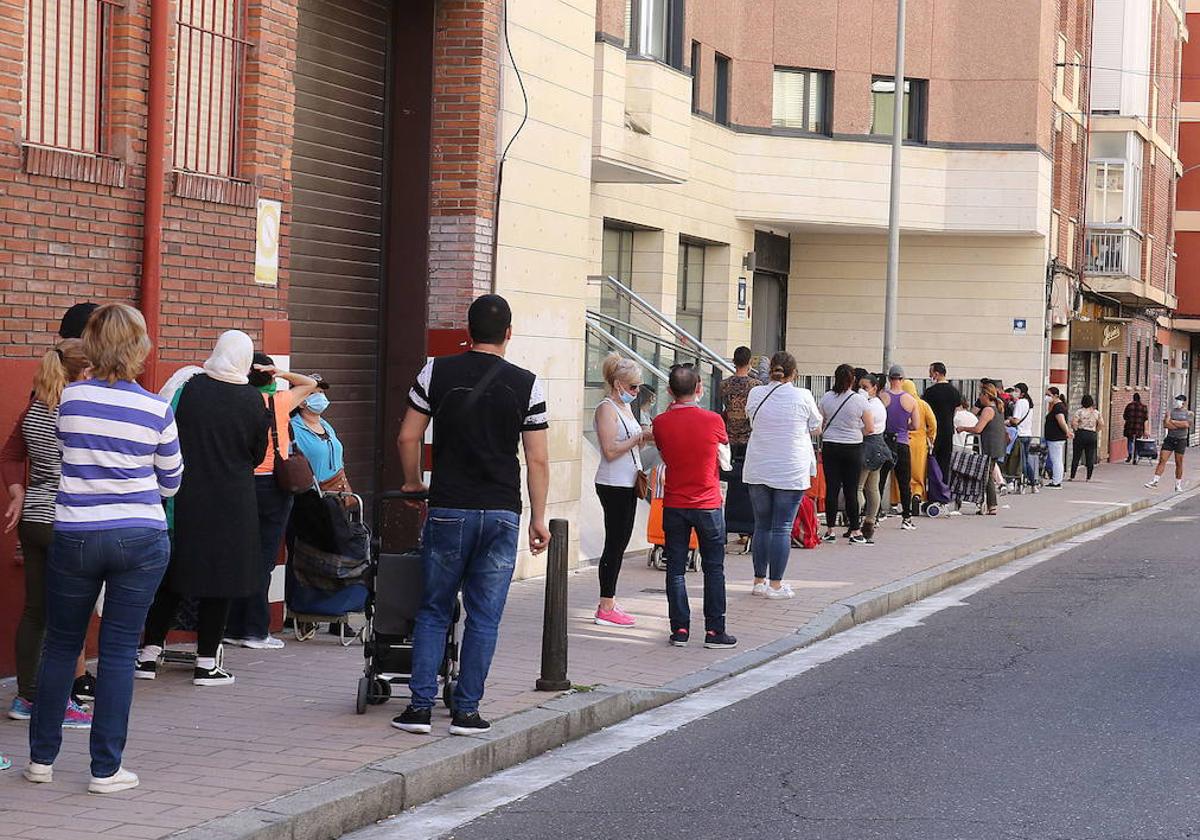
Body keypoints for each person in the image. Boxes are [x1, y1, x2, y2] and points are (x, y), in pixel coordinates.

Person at [24, 303, 181, 794]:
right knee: (116, 653)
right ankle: (105, 769)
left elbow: (64, 453)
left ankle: (41, 760)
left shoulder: (68, 400)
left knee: (62, 644)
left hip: (76, 533)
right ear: (140, 349)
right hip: (140, 535)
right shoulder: (158, 408)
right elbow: (172, 482)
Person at [392, 294, 550, 736]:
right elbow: (537, 459)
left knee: (434, 609)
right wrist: (539, 517)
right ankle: (467, 712)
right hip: (502, 512)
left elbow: (408, 437)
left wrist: (411, 482)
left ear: (468, 331)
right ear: (508, 334)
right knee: (485, 615)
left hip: (449, 508)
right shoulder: (528, 383)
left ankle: (419, 708)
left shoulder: (435, 371)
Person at [137, 331, 269, 687]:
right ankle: (206, 663)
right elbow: (257, 455)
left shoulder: (190, 387)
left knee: (173, 577)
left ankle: (148, 655)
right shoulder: (253, 400)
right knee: (220, 582)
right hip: (232, 502)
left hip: (184, 496)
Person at [2, 340, 94, 730]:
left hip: (35, 519)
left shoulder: (36, 406)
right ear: (84, 371)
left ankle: (27, 697)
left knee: (35, 612)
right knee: (68, 616)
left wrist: (17, 491)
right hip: (69, 518)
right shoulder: (78, 410)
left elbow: (9, 453)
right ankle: (58, 704)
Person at [223, 356, 320, 650]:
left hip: (239, 484)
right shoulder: (278, 402)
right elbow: (312, 384)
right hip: (271, 487)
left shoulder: (235, 402)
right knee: (263, 559)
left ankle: (232, 625)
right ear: (269, 377)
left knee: (239, 555)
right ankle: (254, 630)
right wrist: (282, 372)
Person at [647, 364, 736, 648]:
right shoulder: (713, 421)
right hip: (708, 502)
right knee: (714, 568)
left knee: (675, 568)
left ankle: (680, 630)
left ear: (670, 391)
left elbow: (664, 452)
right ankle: (714, 631)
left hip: (674, 502)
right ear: (699, 389)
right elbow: (724, 457)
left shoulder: (660, 423)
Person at [744, 352, 821, 598]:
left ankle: (758, 582)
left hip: (758, 466)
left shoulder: (756, 393)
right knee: (782, 527)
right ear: (794, 374)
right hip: (791, 468)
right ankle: (776, 585)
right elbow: (816, 426)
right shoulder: (803, 395)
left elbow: (751, 419)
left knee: (762, 526)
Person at [591, 355, 647, 627]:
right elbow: (610, 450)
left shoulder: (624, 409)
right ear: (618, 384)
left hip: (627, 481)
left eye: (638, 387)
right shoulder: (606, 409)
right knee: (615, 543)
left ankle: (609, 600)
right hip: (613, 483)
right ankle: (606, 604)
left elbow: (629, 445)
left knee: (620, 541)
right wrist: (637, 438)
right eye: (633, 386)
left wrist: (642, 438)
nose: (636, 392)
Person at [818, 363, 874, 545]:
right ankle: (855, 530)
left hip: (831, 446)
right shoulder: (859, 400)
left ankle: (830, 530)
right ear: (853, 380)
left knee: (832, 488)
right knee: (851, 489)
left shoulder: (827, 398)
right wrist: (857, 432)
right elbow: (870, 427)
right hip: (852, 447)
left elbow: (820, 423)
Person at [878, 365, 919, 530]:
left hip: (884, 442)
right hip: (902, 442)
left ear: (889, 378)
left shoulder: (882, 397)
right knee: (904, 481)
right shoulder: (910, 400)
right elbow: (916, 425)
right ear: (903, 379)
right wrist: (905, 426)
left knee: (879, 480)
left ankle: (874, 516)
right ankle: (906, 517)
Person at [956, 383, 1006, 515]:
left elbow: (978, 428)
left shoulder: (988, 410)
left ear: (986, 395)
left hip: (989, 446)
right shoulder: (999, 408)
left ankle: (992, 505)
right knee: (987, 473)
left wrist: (963, 428)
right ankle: (988, 504)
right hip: (997, 445)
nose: (979, 398)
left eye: (980, 395)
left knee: (987, 474)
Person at [855, 373, 889, 544]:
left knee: (858, 487)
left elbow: (865, 427)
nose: (861, 391)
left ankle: (856, 521)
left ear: (875, 388)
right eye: (859, 387)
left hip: (867, 445)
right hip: (878, 445)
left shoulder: (872, 406)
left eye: (865, 387)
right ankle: (869, 522)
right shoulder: (877, 404)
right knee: (872, 487)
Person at [922, 362, 961, 482]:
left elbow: (924, 411)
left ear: (936, 374)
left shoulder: (930, 392)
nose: (930, 376)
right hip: (948, 430)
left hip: (933, 431)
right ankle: (943, 489)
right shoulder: (954, 391)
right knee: (945, 462)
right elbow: (956, 409)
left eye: (931, 373)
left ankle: (933, 490)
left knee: (932, 461)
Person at [718, 346, 761, 454]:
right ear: (749, 361)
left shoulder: (724, 384)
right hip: (749, 436)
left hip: (729, 434)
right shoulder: (756, 385)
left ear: (734, 361)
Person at [901, 379, 937, 507]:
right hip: (920, 443)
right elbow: (932, 423)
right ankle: (917, 494)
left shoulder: (901, 402)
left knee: (901, 474)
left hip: (902, 440)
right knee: (917, 473)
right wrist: (930, 438)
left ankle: (897, 500)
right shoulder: (922, 404)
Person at [1146, 395, 1192, 492]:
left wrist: (1173, 422)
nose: (1177, 402)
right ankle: (1155, 481)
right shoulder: (1170, 411)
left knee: (1179, 462)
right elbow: (1166, 424)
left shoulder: (1189, 413)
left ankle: (1178, 484)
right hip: (1170, 439)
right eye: (1177, 400)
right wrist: (1178, 424)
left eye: (1180, 400)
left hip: (1181, 440)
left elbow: (1186, 425)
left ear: (1184, 402)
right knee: (1162, 459)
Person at [1008, 382, 1037, 488]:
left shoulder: (1020, 403)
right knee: (1025, 459)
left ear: (1022, 393)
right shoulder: (1029, 403)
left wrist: (1009, 420)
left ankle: (1024, 481)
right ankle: (1032, 482)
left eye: (1017, 391)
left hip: (1020, 435)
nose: (1014, 393)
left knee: (1020, 461)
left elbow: (1015, 421)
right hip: (1028, 434)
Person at [1043, 387, 1072, 487]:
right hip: (1055, 437)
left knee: (1056, 460)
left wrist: (1067, 431)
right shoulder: (1056, 406)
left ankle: (1056, 481)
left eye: (1048, 395)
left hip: (1056, 437)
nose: (1046, 397)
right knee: (1057, 459)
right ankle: (1057, 480)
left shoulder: (1058, 407)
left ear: (1055, 396)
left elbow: (1061, 421)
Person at [1070, 395, 1103, 481]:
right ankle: (1088, 477)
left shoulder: (1079, 412)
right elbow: (1101, 424)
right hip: (1092, 434)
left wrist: (1076, 430)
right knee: (1090, 456)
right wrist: (1096, 430)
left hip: (1081, 433)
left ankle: (1072, 476)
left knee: (1076, 456)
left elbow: (1074, 423)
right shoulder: (1096, 412)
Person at [1123, 393, 1148, 464]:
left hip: (1130, 427)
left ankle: (1130, 454)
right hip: (1139, 428)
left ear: (1133, 398)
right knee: (1137, 442)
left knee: (1130, 440)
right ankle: (1135, 457)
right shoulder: (1144, 407)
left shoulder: (1129, 406)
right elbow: (1145, 419)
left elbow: (1125, 416)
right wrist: (1145, 430)